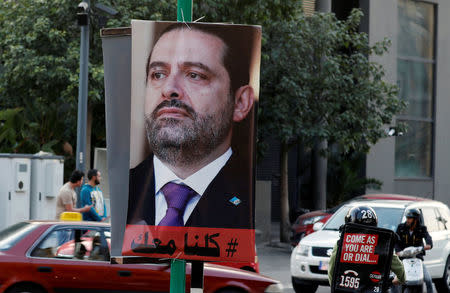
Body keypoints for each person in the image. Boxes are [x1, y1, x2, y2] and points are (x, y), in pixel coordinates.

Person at [127, 23, 258, 229]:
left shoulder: (252, 202)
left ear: (240, 103)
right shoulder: (124, 192)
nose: (169, 89)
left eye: (194, 75)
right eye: (158, 74)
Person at [328, 206, 405, 289]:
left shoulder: (343, 242)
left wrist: (336, 288)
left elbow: (332, 271)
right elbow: (399, 269)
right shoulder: (381, 243)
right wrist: (400, 279)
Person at [392, 208, 434, 293]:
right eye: (407, 218)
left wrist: (428, 244)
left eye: (410, 218)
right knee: (393, 280)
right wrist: (398, 251)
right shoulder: (401, 228)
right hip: (403, 259)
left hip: (417, 258)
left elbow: (428, 237)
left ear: (415, 219)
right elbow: (396, 241)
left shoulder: (422, 228)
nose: (407, 220)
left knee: (428, 280)